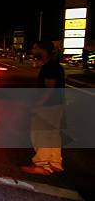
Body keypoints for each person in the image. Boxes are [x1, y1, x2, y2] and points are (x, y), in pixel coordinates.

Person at [21, 41, 65, 176]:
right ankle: (55, 162)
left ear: (43, 50)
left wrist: (37, 105)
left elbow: (49, 89)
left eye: (35, 47)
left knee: (40, 134)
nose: (32, 50)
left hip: (47, 106)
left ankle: (42, 165)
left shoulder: (50, 67)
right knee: (52, 134)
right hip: (56, 104)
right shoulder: (54, 65)